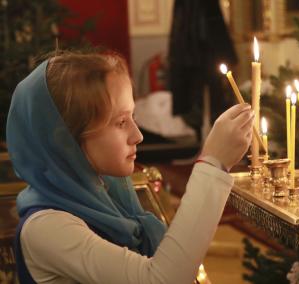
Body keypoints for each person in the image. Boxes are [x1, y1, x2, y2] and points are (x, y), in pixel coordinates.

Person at [6, 51, 254, 284]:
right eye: (121, 122)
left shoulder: (108, 192)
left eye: (133, 117)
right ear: (66, 141)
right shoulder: (46, 228)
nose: (138, 136)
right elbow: (161, 279)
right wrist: (212, 164)